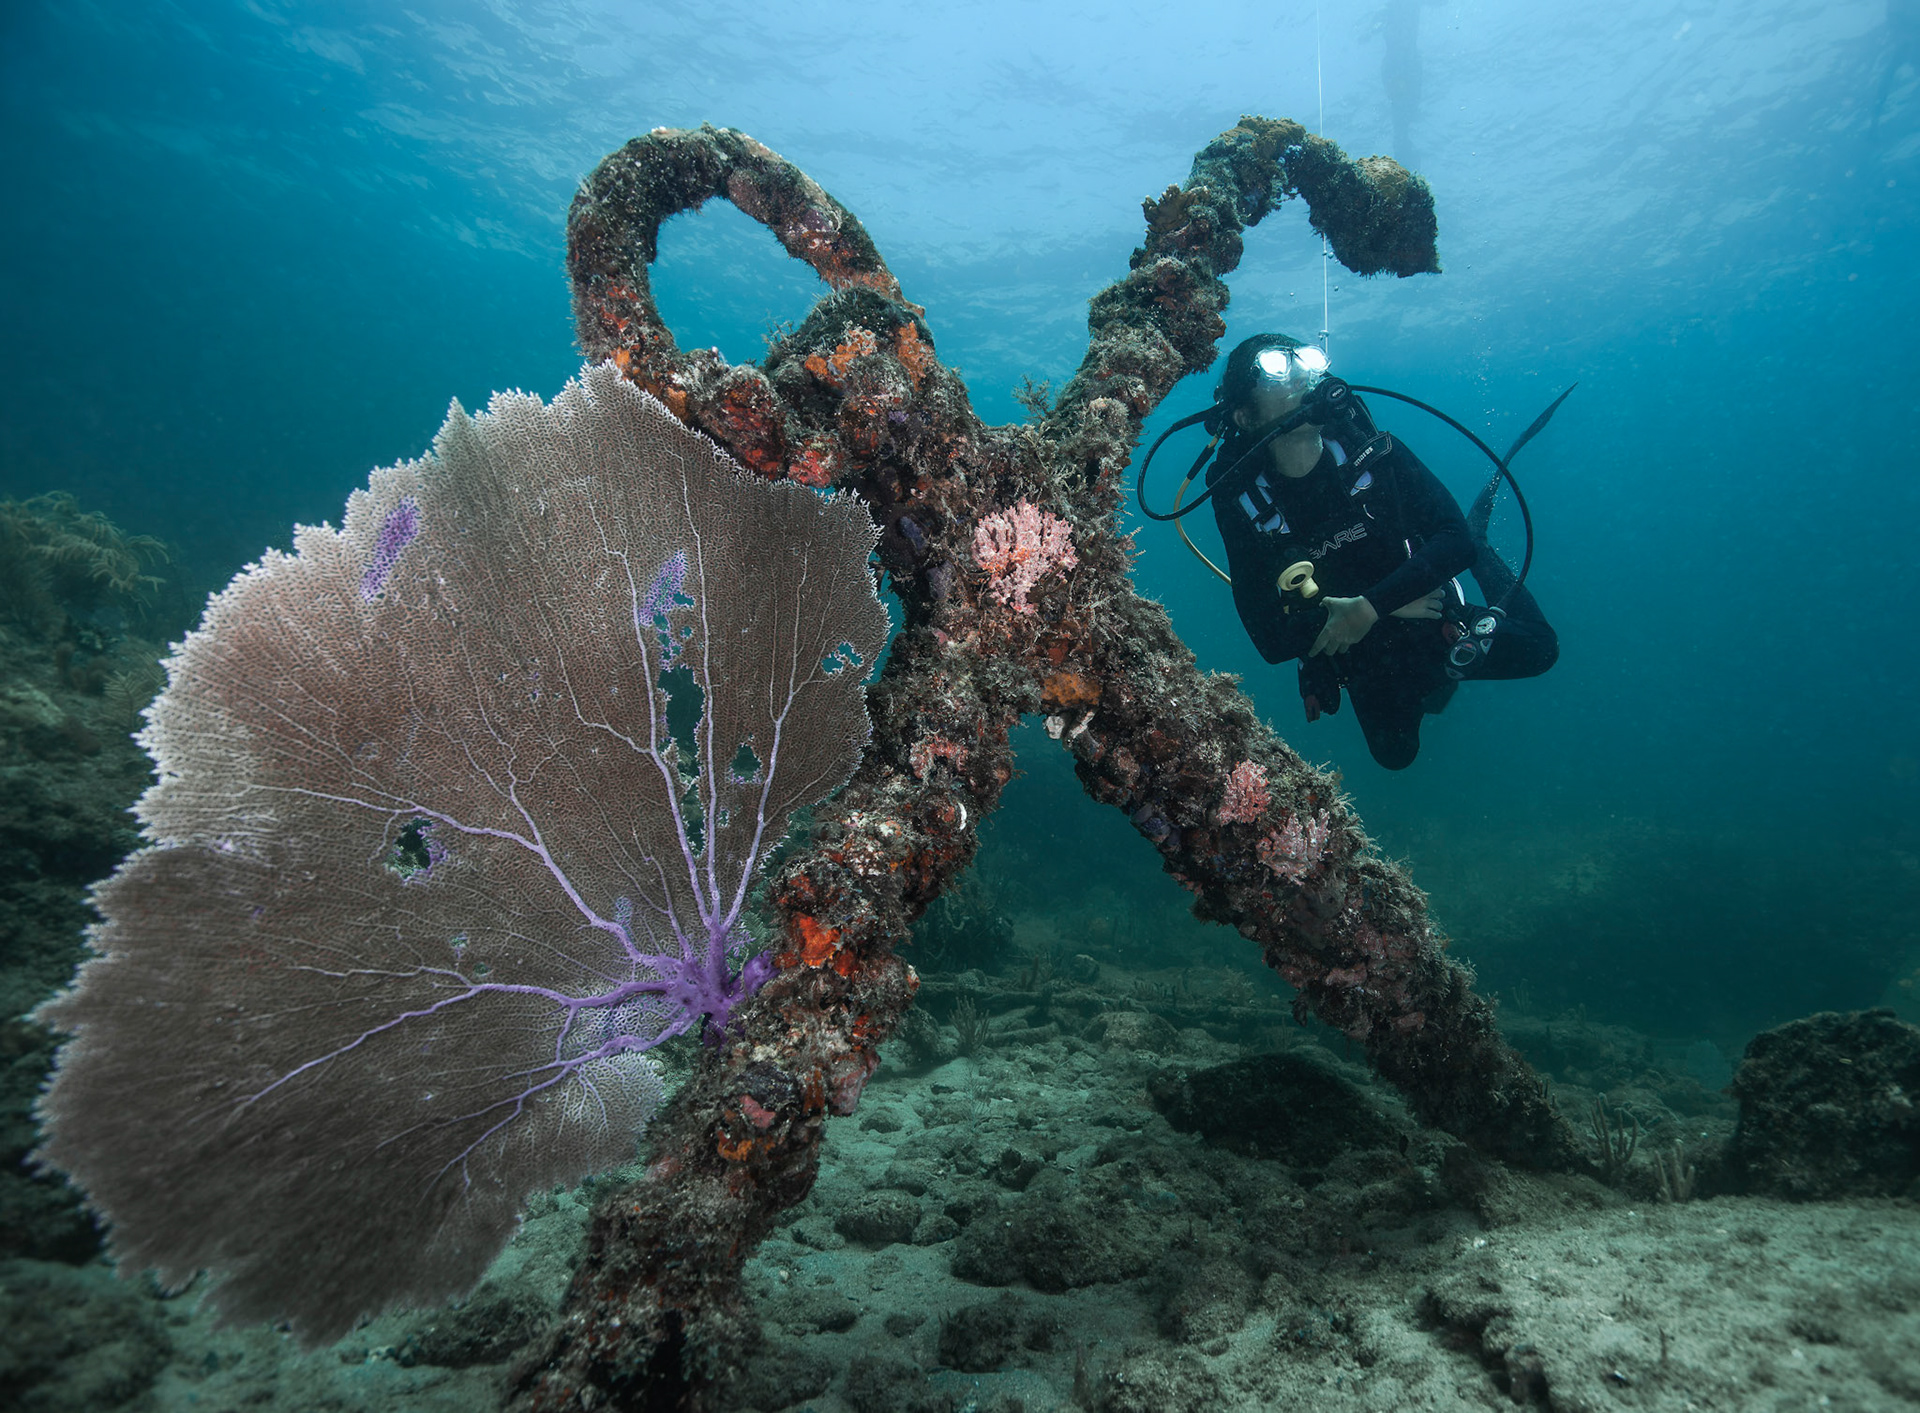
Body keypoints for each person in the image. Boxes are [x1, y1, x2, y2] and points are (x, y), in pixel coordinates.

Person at [1204, 334, 1557, 769]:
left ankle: (1488, 550)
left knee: (1540, 649)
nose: (1300, 373)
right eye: (1275, 367)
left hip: (1425, 609)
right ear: (1244, 414)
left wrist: (1372, 605)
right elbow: (1268, 637)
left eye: (1306, 359)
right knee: (1395, 754)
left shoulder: (1372, 451)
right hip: (1359, 641)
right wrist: (1378, 611)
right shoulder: (1240, 499)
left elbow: (1455, 542)